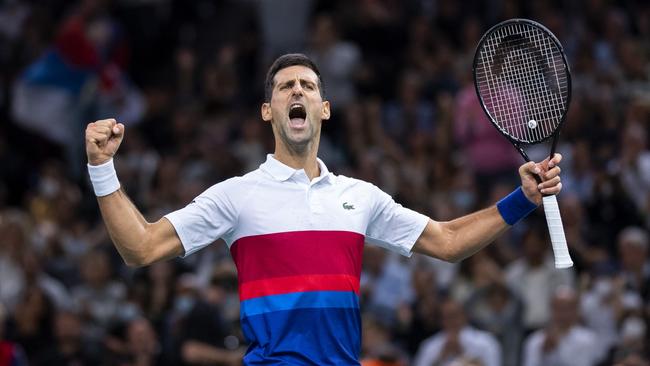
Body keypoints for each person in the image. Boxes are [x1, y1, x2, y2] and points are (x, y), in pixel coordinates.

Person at [84, 53, 564, 365]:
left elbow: (449, 242)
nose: (297, 91)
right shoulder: (235, 195)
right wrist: (103, 169)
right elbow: (141, 249)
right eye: (285, 86)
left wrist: (521, 200)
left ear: (325, 108)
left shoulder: (360, 196)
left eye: (308, 86)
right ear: (267, 111)